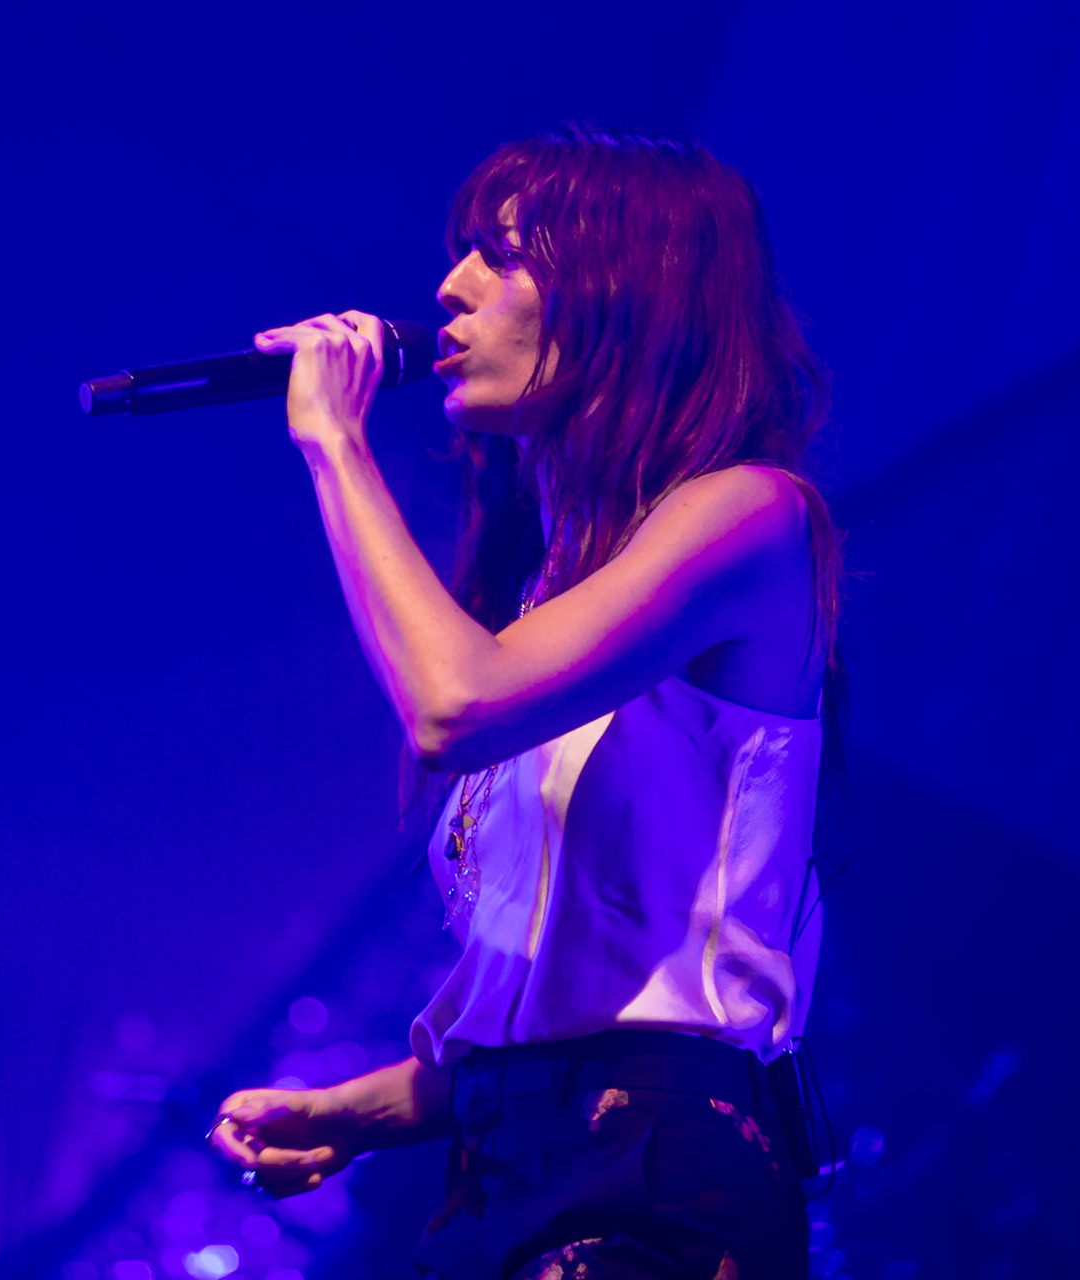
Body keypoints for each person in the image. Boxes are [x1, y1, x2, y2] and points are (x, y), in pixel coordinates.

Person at [207, 127, 838, 1280]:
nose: (449, 288)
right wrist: (356, 1109)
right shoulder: (546, 595)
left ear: (630, 293)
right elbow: (567, 1002)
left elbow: (454, 704)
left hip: (658, 1176)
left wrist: (336, 442)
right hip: (504, 1169)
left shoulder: (750, 513)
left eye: (501, 256)